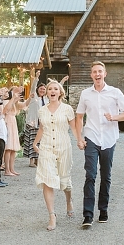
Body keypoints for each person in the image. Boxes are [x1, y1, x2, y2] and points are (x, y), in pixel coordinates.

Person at [74, 61, 124, 229]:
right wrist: (79, 138)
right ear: (91, 75)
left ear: (105, 73)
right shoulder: (86, 94)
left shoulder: (115, 92)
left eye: (100, 71)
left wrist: (114, 117)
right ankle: (87, 215)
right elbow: (79, 117)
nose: (97, 74)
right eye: (94, 72)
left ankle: (103, 210)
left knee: (106, 176)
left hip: (109, 139)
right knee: (90, 176)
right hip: (91, 138)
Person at [33, 80, 77, 230]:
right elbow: (41, 128)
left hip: (64, 147)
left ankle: (68, 201)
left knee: (64, 180)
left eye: (55, 89)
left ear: (60, 92)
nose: (52, 91)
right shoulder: (42, 110)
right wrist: (35, 143)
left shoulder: (67, 109)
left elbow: (74, 127)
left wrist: (80, 140)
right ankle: (52, 215)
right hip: (46, 148)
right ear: (47, 92)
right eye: (50, 89)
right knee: (47, 179)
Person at [3, 86, 28, 176]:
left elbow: (23, 105)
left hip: (13, 123)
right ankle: (7, 170)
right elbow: (6, 110)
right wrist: (13, 99)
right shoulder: (6, 101)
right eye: (14, 91)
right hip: (7, 122)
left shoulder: (15, 102)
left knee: (13, 149)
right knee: (8, 148)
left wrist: (30, 98)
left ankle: (12, 169)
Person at [24, 69, 46, 167]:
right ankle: (31, 161)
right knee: (32, 141)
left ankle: (38, 160)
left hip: (41, 124)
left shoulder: (46, 99)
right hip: (33, 122)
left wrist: (62, 82)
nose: (42, 90)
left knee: (40, 142)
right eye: (41, 89)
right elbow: (33, 87)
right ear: (38, 89)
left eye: (44, 89)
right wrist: (36, 77)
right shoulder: (34, 97)